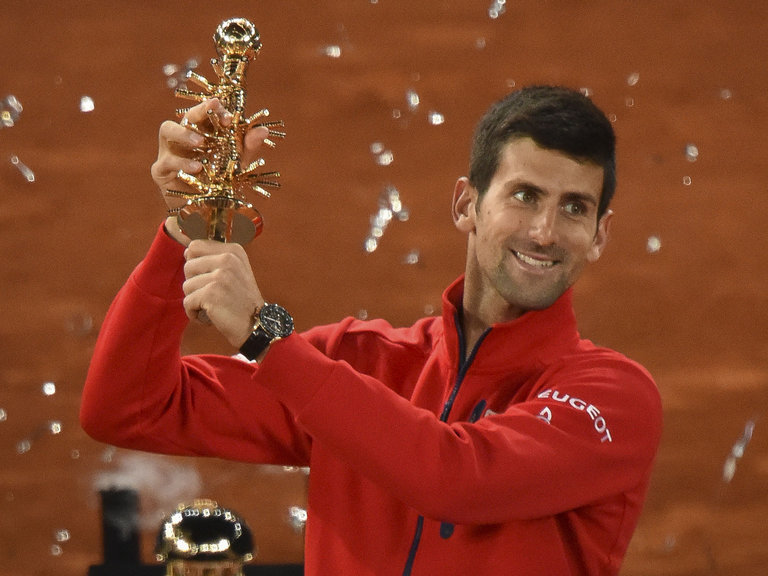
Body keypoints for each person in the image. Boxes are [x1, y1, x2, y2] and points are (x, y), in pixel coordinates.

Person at [81, 85, 663, 576]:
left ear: (600, 234)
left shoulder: (613, 398)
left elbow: (456, 479)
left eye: (574, 208)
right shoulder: (359, 362)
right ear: (466, 204)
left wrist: (265, 337)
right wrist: (187, 226)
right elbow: (127, 407)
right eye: (525, 195)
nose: (544, 231)